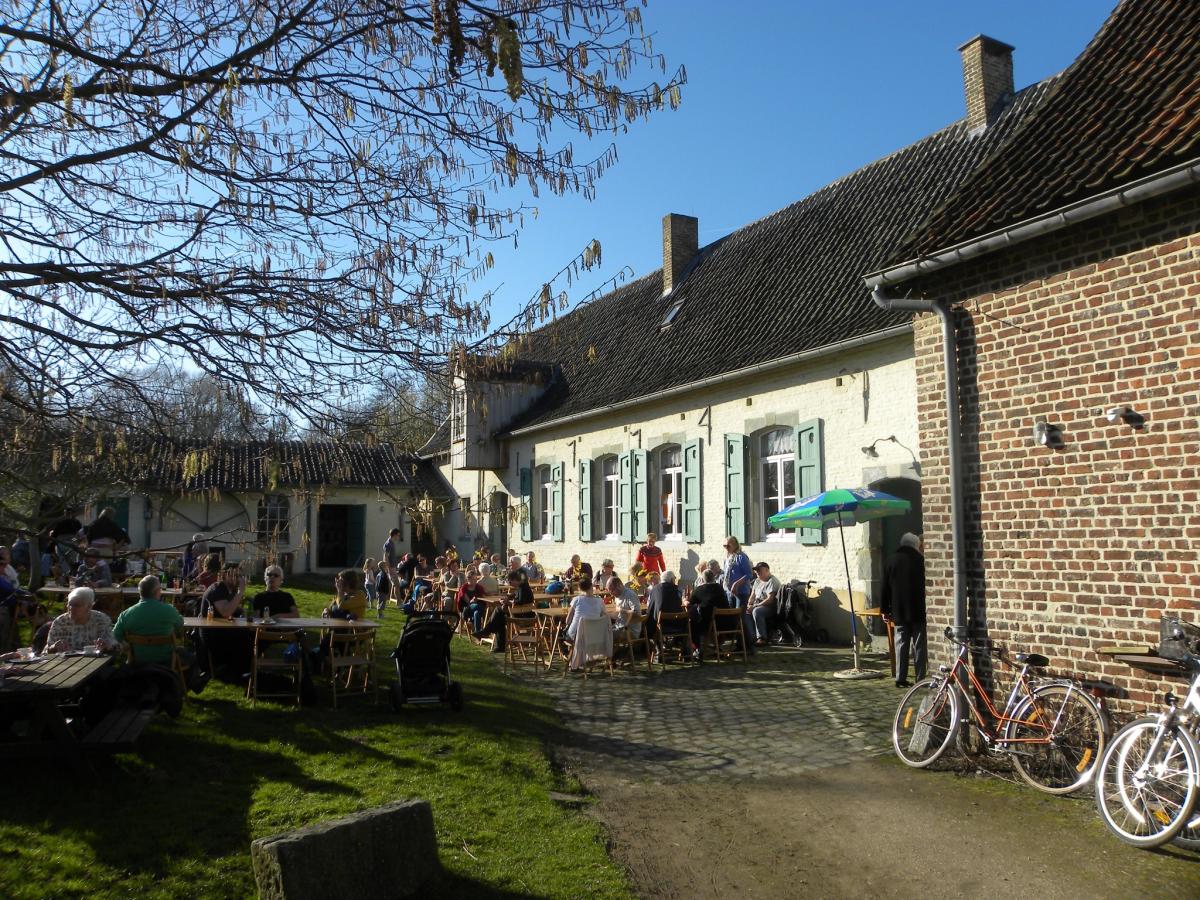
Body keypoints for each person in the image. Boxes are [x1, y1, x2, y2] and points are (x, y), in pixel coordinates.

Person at [881, 533, 926, 688]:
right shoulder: (922, 560)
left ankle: (900, 678)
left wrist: (884, 610)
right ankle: (920, 679)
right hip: (919, 608)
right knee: (919, 645)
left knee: (901, 643)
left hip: (899, 609)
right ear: (916, 545)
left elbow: (884, 588)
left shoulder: (891, 560)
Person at [43, 587, 118, 654]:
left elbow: (114, 647)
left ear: (89, 606)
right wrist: (53, 648)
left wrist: (106, 646)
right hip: (64, 664)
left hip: (94, 663)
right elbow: (46, 652)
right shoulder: (60, 622)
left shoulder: (101, 620)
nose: (71, 608)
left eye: (77, 605)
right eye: (70, 604)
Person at [722, 536, 754, 654]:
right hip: (730, 592)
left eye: (728, 545)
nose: (726, 548)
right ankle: (740, 644)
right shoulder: (727, 558)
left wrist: (737, 583)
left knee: (741, 618)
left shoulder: (741, 557)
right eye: (724, 546)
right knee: (734, 619)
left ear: (735, 545)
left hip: (741, 593)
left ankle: (749, 645)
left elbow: (749, 574)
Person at [690, 569, 728, 661]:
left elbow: (691, 602)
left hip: (709, 623)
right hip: (726, 622)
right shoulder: (720, 588)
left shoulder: (699, 589)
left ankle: (698, 649)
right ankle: (717, 646)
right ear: (714, 577)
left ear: (702, 579)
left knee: (692, 623)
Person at [748, 562, 781, 646]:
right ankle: (750, 636)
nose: (757, 573)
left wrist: (755, 606)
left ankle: (762, 638)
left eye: (759, 571)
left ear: (767, 570)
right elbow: (752, 595)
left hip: (770, 607)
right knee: (745, 611)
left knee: (757, 611)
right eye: (756, 571)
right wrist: (749, 604)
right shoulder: (757, 581)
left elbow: (770, 600)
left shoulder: (772, 581)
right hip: (758, 604)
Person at [563, 576, 604, 643]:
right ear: (591, 586)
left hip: (576, 637)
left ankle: (567, 651)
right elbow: (603, 616)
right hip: (594, 636)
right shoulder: (600, 601)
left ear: (579, 588)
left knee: (565, 632)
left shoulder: (576, 600)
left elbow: (567, 621)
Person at [382, 527, 402, 604]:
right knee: (396, 584)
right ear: (394, 535)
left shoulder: (391, 543)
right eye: (398, 535)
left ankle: (396, 601)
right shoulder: (388, 544)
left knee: (395, 584)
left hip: (393, 567)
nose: (398, 537)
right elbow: (386, 557)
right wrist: (389, 568)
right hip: (391, 568)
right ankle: (399, 602)